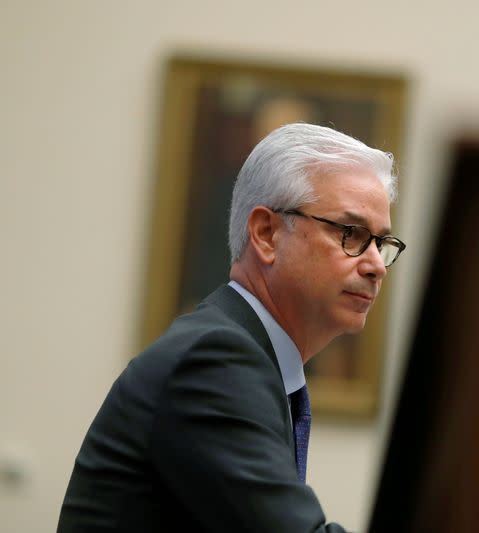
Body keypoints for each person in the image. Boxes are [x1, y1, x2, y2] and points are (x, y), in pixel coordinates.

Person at [57, 123, 406, 532]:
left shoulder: (248, 357)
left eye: (381, 243)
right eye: (351, 233)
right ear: (266, 234)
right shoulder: (215, 361)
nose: (376, 265)